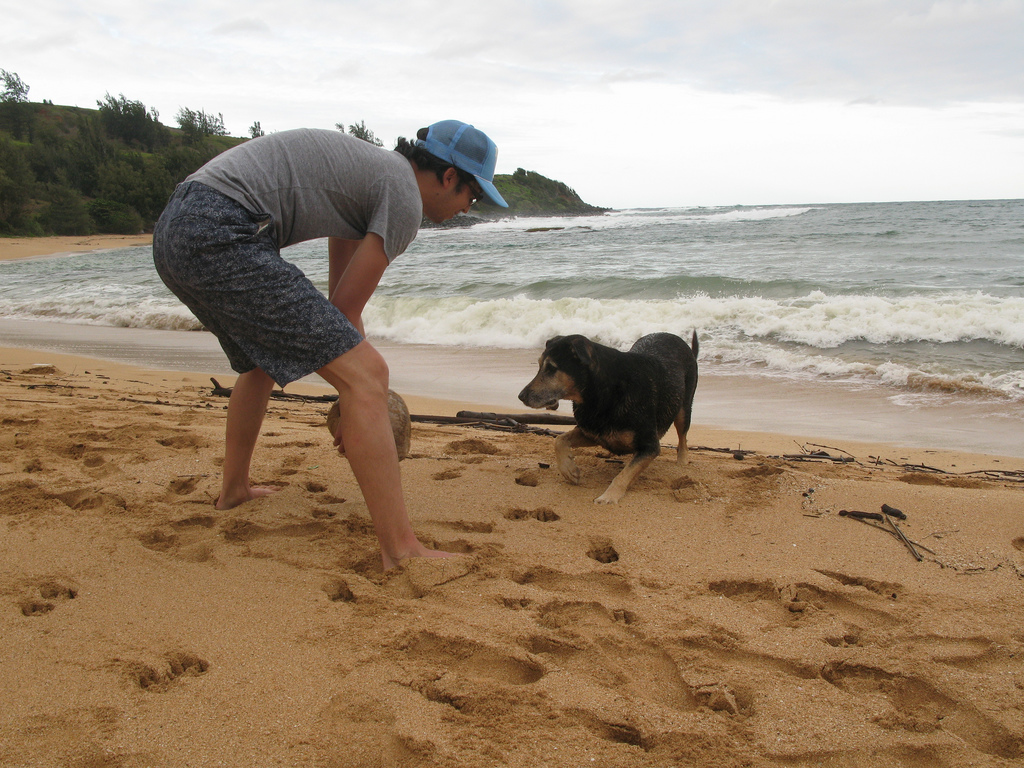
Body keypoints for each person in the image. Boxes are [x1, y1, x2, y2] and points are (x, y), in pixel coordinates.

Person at [152, 120, 509, 569]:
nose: (466, 208)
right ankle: (401, 550)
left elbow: (340, 313)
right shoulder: (401, 196)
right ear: (449, 176)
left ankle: (234, 490)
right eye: (471, 196)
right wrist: (358, 397)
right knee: (369, 375)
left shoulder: (370, 179)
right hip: (219, 229)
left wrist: (353, 399)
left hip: (176, 229)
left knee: (265, 361)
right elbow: (342, 335)